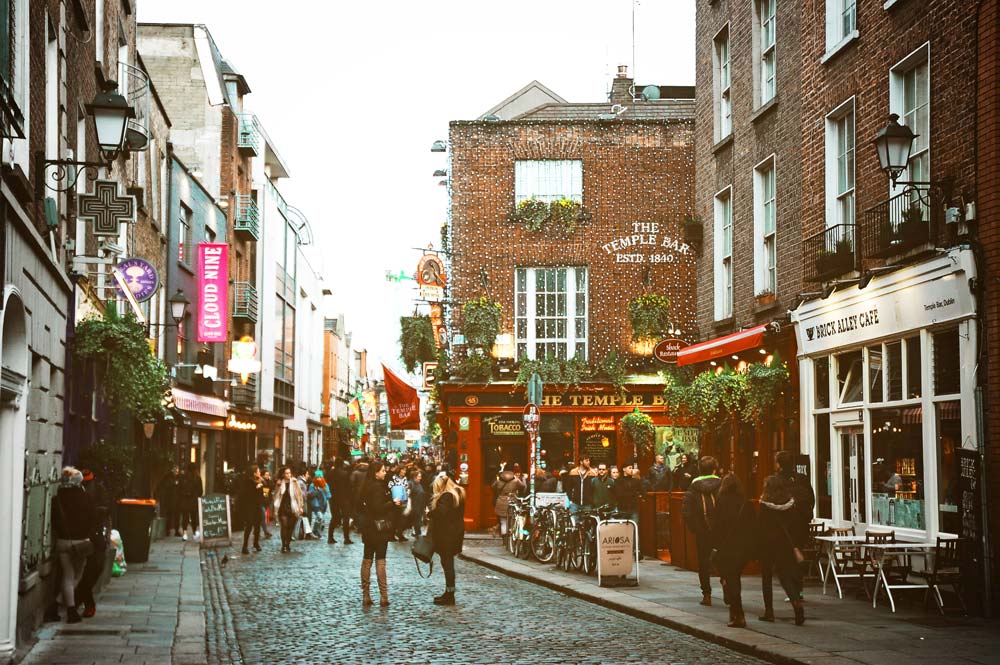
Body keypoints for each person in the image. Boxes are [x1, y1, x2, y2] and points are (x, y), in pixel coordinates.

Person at [51, 467, 97, 623]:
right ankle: (70, 611)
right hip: (81, 542)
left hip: (63, 541)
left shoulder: (57, 498)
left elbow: (54, 521)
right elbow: (93, 519)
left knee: (67, 575)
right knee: (76, 576)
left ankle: (55, 607)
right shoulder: (85, 498)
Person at [710, 474, 756, 628]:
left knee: (731, 579)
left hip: (726, 547)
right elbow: (752, 528)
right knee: (734, 577)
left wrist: (715, 545)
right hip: (742, 548)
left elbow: (715, 527)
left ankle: (738, 613)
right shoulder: (746, 503)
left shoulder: (721, 502)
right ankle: (735, 611)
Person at [758, 475, 805, 625]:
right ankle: (796, 603)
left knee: (766, 577)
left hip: (767, 544)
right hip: (785, 544)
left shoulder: (765, 504)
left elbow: (761, 526)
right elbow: (795, 526)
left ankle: (769, 611)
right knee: (785, 576)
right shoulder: (791, 503)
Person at [774, 450, 816, 606]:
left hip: (784, 526)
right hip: (801, 524)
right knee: (798, 554)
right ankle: (798, 590)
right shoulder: (802, 479)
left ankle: (793, 591)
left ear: (779, 464)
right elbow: (811, 499)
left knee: (785, 559)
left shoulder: (776, 481)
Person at [682, 456, 722, 606]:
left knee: (703, 562)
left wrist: (695, 529)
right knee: (724, 559)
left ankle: (707, 595)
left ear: (699, 469)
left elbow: (686, 511)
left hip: (702, 531)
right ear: (714, 469)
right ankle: (727, 586)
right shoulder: (721, 484)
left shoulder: (693, 487)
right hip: (720, 530)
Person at [359, 461, 398, 607]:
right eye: (382, 471)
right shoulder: (377, 488)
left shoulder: (366, 486)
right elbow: (378, 508)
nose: (385, 472)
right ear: (375, 473)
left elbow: (361, 507)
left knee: (367, 560)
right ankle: (384, 596)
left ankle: (366, 595)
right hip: (379, 529)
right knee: (380, 561)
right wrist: (392, 503)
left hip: (368, 528)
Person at [427, 473, 466, 606]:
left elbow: (441, 513)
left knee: (447, 564)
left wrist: (430, 513)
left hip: (446, 535)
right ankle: (449, 592)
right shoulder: (458, 494)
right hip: (455, 533)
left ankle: (449, 595)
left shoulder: (447, 496)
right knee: (448, 563)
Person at [74, 468, 108, 619]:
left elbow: (107, 508)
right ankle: (85, 602)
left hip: (96, 534)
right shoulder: (76, 492)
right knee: (85, 571)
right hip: (82, 535)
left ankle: (79, 599)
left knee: (96, 568)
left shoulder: (99, 489)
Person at [272, 466, 304, 553]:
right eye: (286, 473)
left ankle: (288, 544)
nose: (288, 475)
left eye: (289, 473)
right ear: (283, 474)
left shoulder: (294, 482)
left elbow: (299, 495)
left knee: (290, 527)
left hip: (293, 507)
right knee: (284, 526)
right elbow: (276, 496)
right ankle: (283, 545)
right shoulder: (279, 483)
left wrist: (300, 506)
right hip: (282, 507)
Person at [492, 468, 525, 541]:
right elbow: (523, 486)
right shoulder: (516, 481)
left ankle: (504, 538)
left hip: (501, 500)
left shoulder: (498, 481)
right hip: (512, 500)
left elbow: (493, 487)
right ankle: (511, 536)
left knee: (503, 521)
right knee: (512, 519)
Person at [238, 465, 265, 554]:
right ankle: (244, 546)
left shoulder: (260, 481)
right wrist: (256, 487)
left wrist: (261, 482)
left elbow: (266, 488)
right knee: (249, 526)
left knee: (257, 526)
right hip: (250, 507)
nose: (259, 473)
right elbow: (246, 495)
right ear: (254, 473)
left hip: (258, 506)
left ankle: (256, 543)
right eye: (258, 471)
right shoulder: (248, 482)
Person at [329, 459, 355, 544]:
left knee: (334, 518)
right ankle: (346, 538)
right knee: (346, 518)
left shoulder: (330, 473)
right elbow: (349, 486)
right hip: (344, 498)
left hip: (333, 498)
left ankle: (330, 537)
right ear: (342, 464)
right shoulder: (345, 474)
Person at [179, 463, 203, 541]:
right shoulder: (198, 478)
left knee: (185, 517)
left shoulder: (183, 477)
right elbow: (201, 491)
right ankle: (194, 533)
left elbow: (179, 488)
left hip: (185, 500)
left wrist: (184, 494)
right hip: (194, 501)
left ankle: (185, 534)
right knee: (193, 517)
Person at [388, 465, 411, 542]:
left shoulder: (405, 478)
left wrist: (407, 490)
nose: (404, 472)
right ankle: (391, 535)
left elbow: (407, 486)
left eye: (405, 470)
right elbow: (390, 487)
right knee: (394, 518)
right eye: (403, 470)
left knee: (402, 519)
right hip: (395, 500)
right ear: (399, 470)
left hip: (403, 500)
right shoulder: (393, 478)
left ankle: (400, 534)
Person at [158, 466, 182, 537]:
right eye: (175, 470)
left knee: (177, 516)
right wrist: (174, 483)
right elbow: (164, 486)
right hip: (169, 499)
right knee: (169, 515)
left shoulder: (179, 477)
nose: (176, 472)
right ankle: (167, 530)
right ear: (172, 470)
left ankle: (176, 531)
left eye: (177, 471)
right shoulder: (167, 477)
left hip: (177, 500)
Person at [307, 475, 330, 539]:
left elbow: (329, 495)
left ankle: (317, 532)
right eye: (318, 477)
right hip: (316, 504)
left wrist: (325, 490)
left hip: (323, 504)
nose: (319, 479)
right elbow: (310, 495)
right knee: (320, 517)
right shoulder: (312, 485)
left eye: (320, 477)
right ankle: (314, 531)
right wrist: (316, 490)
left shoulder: (325, 484)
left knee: (320, 519)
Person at [409, 469, 427, 538]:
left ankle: (417, 533)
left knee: (418, 519)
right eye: (419, 476)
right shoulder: (411, 483)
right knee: (416, 519)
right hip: (415, 505)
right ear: (414, 477)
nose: (420, 478)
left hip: (420, 505)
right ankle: (417, 533)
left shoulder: (418, 484)